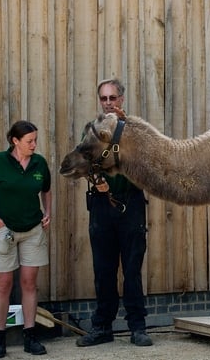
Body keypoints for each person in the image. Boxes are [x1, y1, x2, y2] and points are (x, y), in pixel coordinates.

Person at [75, 78, 152, 347]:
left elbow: (146, 165)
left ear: (122, 99)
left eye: (113, 98)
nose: (108, 103)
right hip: (101, 205)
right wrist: (97, 181)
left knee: (132, 270)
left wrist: (125, 126)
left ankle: (138, 327)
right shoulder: (93, 130)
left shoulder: (135, 131)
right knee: (103, 269)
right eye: (104, 98)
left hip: (130, 203)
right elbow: (83, 162)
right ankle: (102, 327)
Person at [0, 120, 52, 358]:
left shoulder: (39, 162)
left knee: (29, 283)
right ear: (15, 141)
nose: (34, 144)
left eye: (35, 140)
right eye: (29, 141)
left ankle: (30, 336)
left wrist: (48, 212)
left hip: (32, 230)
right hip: (4, 230)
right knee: (4, 284)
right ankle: (0, 338)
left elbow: (46, 189)